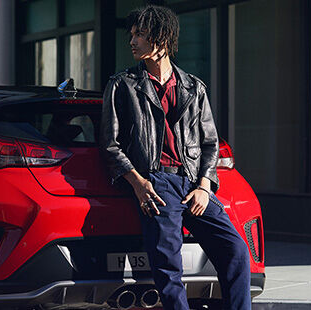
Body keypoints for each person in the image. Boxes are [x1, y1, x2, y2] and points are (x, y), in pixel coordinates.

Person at [100, 5, 251, 310]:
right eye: (132, 35)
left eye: (140, 34)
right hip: (155, 184)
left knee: (235, 250)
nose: (132, 41)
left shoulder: (194, 88)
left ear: (162, 38)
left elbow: (210, 143)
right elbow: (109, 144)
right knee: (169, 269)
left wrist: (205, 186)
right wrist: (138, 183)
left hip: (193, 184)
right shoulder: (123, 85)